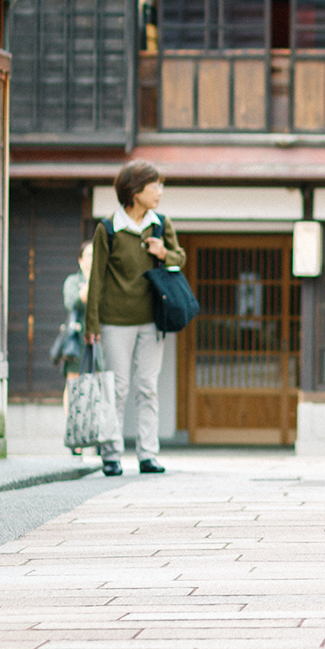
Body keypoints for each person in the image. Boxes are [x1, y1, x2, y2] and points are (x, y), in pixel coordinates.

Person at [84, 160, 185, 477]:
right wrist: (92, 324)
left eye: (160, 185)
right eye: (154, 185)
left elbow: (179, 257)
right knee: (117, 388)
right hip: (115, 321)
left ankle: (148, 455)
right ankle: (111, 455)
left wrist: (163, 253)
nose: (160, 192)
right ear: (134, 191)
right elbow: (96, 279)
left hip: (152, 320)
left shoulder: (160, 224)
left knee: (147, 387)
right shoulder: (109, 228)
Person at [51, 240, 92, 454]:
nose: (92, 260)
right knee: (74, 386)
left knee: (95, 387)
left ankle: (92, 435)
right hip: (77, 340)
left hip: (99, 341)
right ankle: (74, 434)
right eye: (88, 256)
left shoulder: (104, 280)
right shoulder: (73, 281)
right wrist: (87, 290)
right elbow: (71, 303)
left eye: (96, 256)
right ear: (80, 259)